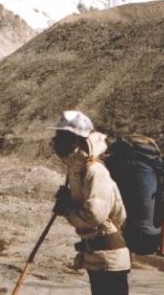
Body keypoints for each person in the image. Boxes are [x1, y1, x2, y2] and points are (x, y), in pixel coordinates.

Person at [50, 110, 131, 295]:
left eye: (61, 136)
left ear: (75, 140)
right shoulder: (76, 170)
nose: (56, 141)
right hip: (97, 257)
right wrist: (67, 200)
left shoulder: (95, 171)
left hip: (110, 258)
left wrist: (67, 209)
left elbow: (93, 216)